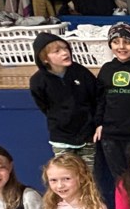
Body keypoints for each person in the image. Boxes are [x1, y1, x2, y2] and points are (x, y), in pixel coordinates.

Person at [29, 32, 99, 172]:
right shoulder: (38, 81)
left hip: (87, 135)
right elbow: (44, 105)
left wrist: (94, 122)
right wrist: (60, 118)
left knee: (87, 176)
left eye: (66, 48)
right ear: (45, 59)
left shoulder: (80, 72)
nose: (64, 53)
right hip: (61, 137)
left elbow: (96, 96)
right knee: (66, 174)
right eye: (57, 51)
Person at [94, 22, 130, 182]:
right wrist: (99, 123)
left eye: (127, 42)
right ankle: (126, 207)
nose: (121, 47)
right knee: (120, 180)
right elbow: (101, 99)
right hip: (111, 135)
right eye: (116, 42)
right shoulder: (106, 69)